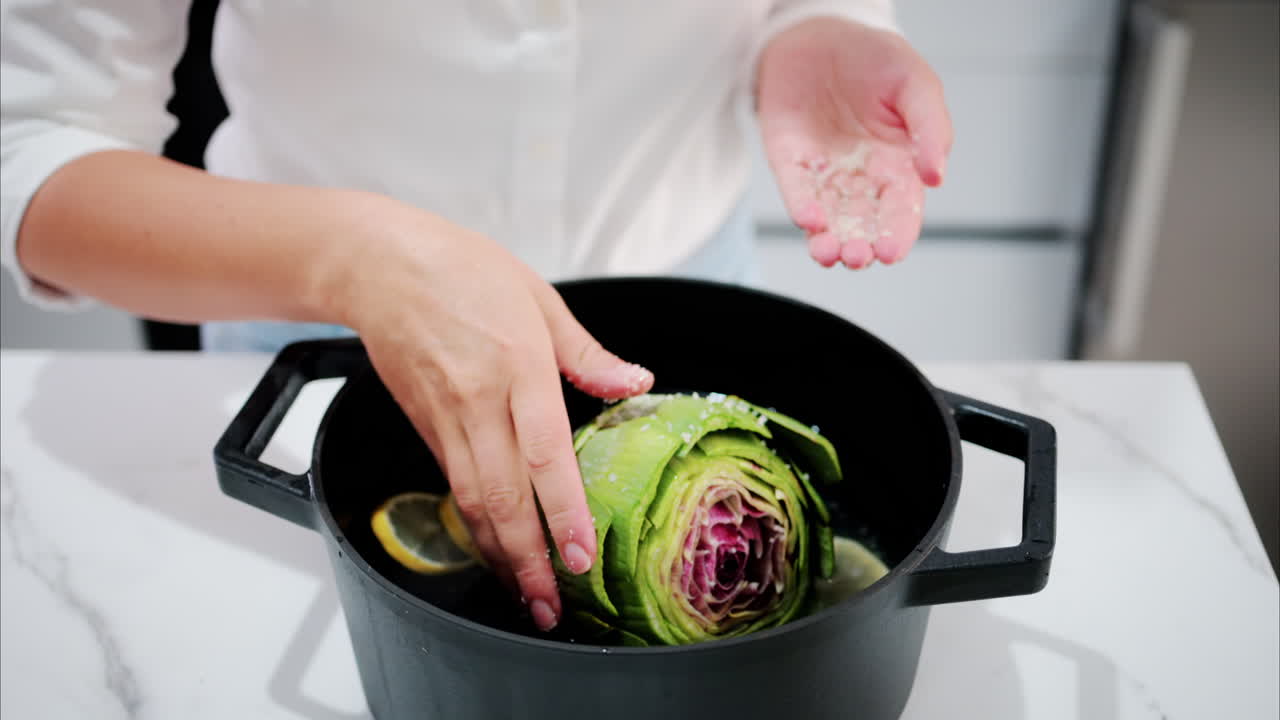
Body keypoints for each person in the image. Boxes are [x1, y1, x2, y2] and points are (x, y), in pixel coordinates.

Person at [0, 1, 952, 632]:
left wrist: (817, 23)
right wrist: (359, 260)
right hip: (323, 348)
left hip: (682, 313)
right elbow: (28, 142)